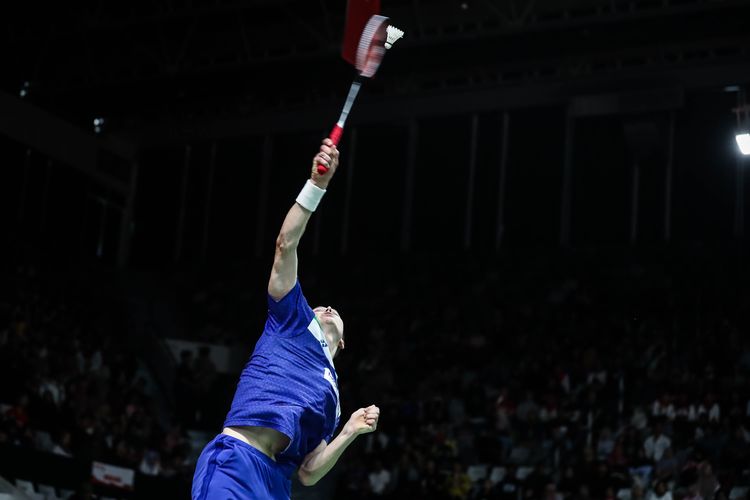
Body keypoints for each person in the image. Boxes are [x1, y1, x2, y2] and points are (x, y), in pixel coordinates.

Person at [191, 138, 381, 499]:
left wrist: (350, 431)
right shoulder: (292, 320)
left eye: (333, 311)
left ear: (342, 342)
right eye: (318, 307)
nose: (324, 308)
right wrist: (317, 185)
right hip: (238, 459)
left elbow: (309, 473)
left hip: (276, 484)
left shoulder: (333, 398)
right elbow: (285, 244)